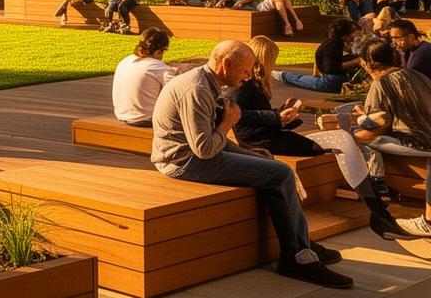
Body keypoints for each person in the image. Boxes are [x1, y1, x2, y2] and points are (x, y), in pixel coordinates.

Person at [150, 40, 351, 287]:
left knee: (271, 164)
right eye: (245, 70)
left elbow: (215, 141)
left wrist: (249, 152)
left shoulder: (208, 83)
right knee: (281, 174)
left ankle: (302, 244)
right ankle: (296, 257)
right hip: (182, 162)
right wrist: (228, 123)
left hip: (194, 155)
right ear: (226, 64)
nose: (247, 77)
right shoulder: (197, 89)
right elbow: (203, 149)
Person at [337, 38, 431, 237]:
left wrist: (354, 131)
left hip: (419, 143)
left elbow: (378, 127)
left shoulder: (381, 83)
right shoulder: (415, 74)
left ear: (367, 63)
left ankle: (377, 185)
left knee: (361, 138)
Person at [234, 36, 324, 157]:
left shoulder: (256, 84)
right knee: (316, 149)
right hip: (256, 140)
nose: (274, 64)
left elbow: (260, 113)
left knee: (318, 147)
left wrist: (282, 112)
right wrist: (276, 117)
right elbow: (239, 115)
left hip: (262, 135)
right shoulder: (244, 84)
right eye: (273, 60)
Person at [113, 28, 177, 126]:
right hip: (146, 119)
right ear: (160, 51)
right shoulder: (157, 67)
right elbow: (180, 90)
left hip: (121, 115)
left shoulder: (125, 61)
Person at [281, 19, 358, 92]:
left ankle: (287, 76)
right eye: (351, 34)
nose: (353, 37)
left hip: (333, 73)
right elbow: (330, 68)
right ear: (344, 36)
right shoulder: (333, 45)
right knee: (331, 84)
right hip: (330, 78)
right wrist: (355, 62)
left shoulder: (338, 43)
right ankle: (287, 76)